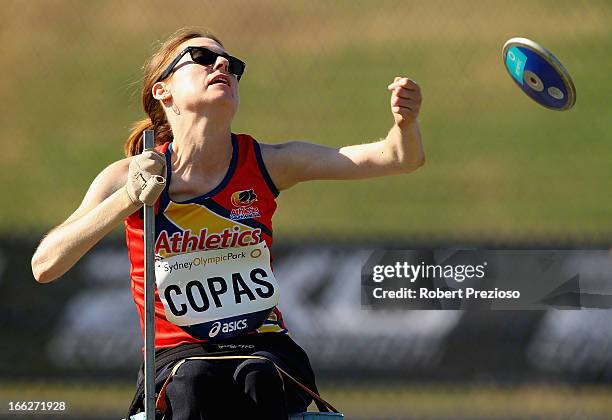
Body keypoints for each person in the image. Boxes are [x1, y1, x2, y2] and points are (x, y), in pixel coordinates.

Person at [31, 27, 424, 419]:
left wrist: (405, 124)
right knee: (195, 383)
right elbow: (45, 265)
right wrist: (128, 198)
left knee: (257, 378)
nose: (222, 64)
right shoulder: (126, 177)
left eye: (232, 64)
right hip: (178, 357)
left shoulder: (266, 163)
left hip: (264, 347)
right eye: (202, 58)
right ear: (162, 91)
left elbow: (398, 157)